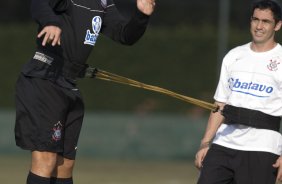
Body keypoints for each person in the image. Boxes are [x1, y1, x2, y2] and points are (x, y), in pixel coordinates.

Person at [14, 0, 155, 184]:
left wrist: (141, 15)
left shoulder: (103, 3)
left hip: (69, 84)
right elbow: (39, 3)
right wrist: (51, 22)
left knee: (65, 166)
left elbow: (124, 34)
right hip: (45, 79)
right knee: (46, 159)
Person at [194, 0, 282, 183]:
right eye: (255, 19)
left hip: (263, 148)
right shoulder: (234, 56)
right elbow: (220, 105)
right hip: (224, 143)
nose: (259, 26)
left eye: (266, 21)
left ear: (278, 25)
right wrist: (205, 143)